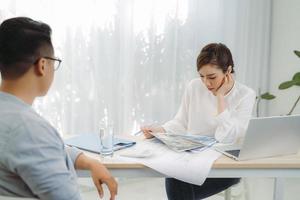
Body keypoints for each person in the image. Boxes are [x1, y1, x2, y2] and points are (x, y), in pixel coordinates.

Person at [0, 17, 117, 200]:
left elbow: (38, 151)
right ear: (43, 65)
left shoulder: (12, 117)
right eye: (55, 62)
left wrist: (87, 162)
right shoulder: (28, 128)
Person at [141, 43, 256, 200]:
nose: (206, 83)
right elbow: (181, 122)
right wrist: (159, 130)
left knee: (177, 182)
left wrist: (220, 97)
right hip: (193, 159)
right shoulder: (194, 87)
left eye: (212, 77)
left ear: (228, 71)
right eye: (202, 76)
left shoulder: (245, 95)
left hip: (225, 166)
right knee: (175, 177)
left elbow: (226, 137)